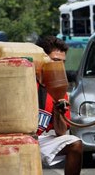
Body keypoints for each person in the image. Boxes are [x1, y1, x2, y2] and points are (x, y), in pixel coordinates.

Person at [36, 35, 82, 175]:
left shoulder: (60, 90)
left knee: (75, 144)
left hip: (40, 139)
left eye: (62, 62)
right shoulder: (27, 80)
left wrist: (58, 111)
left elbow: (61, 132)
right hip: (19, 138)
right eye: (55, 61)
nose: (59, 66)